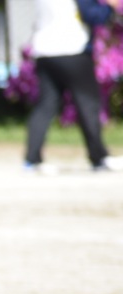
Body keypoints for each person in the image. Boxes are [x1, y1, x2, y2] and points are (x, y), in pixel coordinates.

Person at [24, 0, 119, 173]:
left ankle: (32, 160)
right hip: (73, 49)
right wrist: (110, 7)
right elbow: (93, 15)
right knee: (88, 104)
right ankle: (99, 157)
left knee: (45, 105)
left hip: (44, 50)